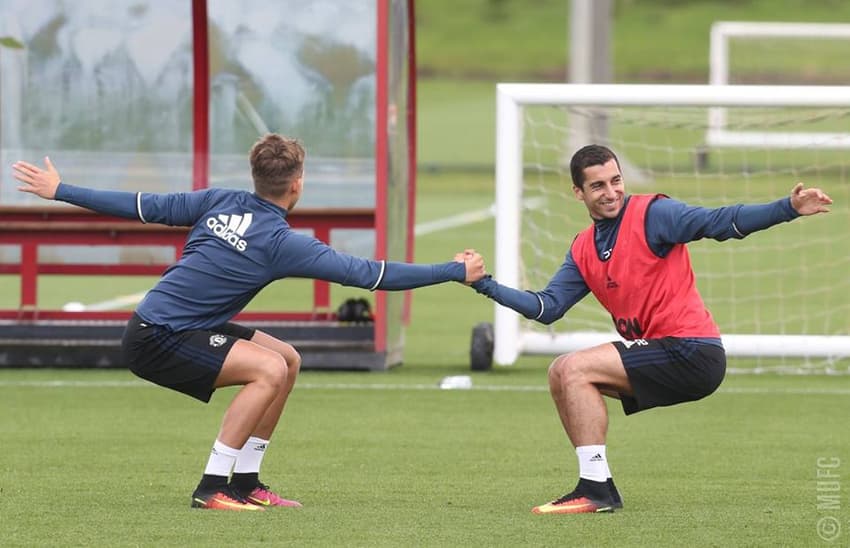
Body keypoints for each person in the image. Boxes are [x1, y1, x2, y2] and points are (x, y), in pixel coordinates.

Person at [12, 133, 486, 512]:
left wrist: (60, 190)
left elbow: (141, 204)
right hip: (158, 338)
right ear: (297, 184)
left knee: (287, 358)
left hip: (162, 325)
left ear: (255, 175)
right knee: (268, 370)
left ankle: (246, 481)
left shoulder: (221, 200)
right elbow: (371, 275)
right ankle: (211, 487)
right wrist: (454, 272)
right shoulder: (284, 241)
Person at [467, 144, 832, 515]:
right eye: (597, 186)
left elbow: (720, 221)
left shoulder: (654, 214)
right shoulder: (582, 249)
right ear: (578, 193)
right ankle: (597, 486)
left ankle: (595, 490)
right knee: (561, 375)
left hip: (693, 350)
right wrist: (485, 284)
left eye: (615, 181)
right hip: (663, 351)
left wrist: (788, 208)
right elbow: (546, 309)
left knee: (572, 368)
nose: (610, 193)